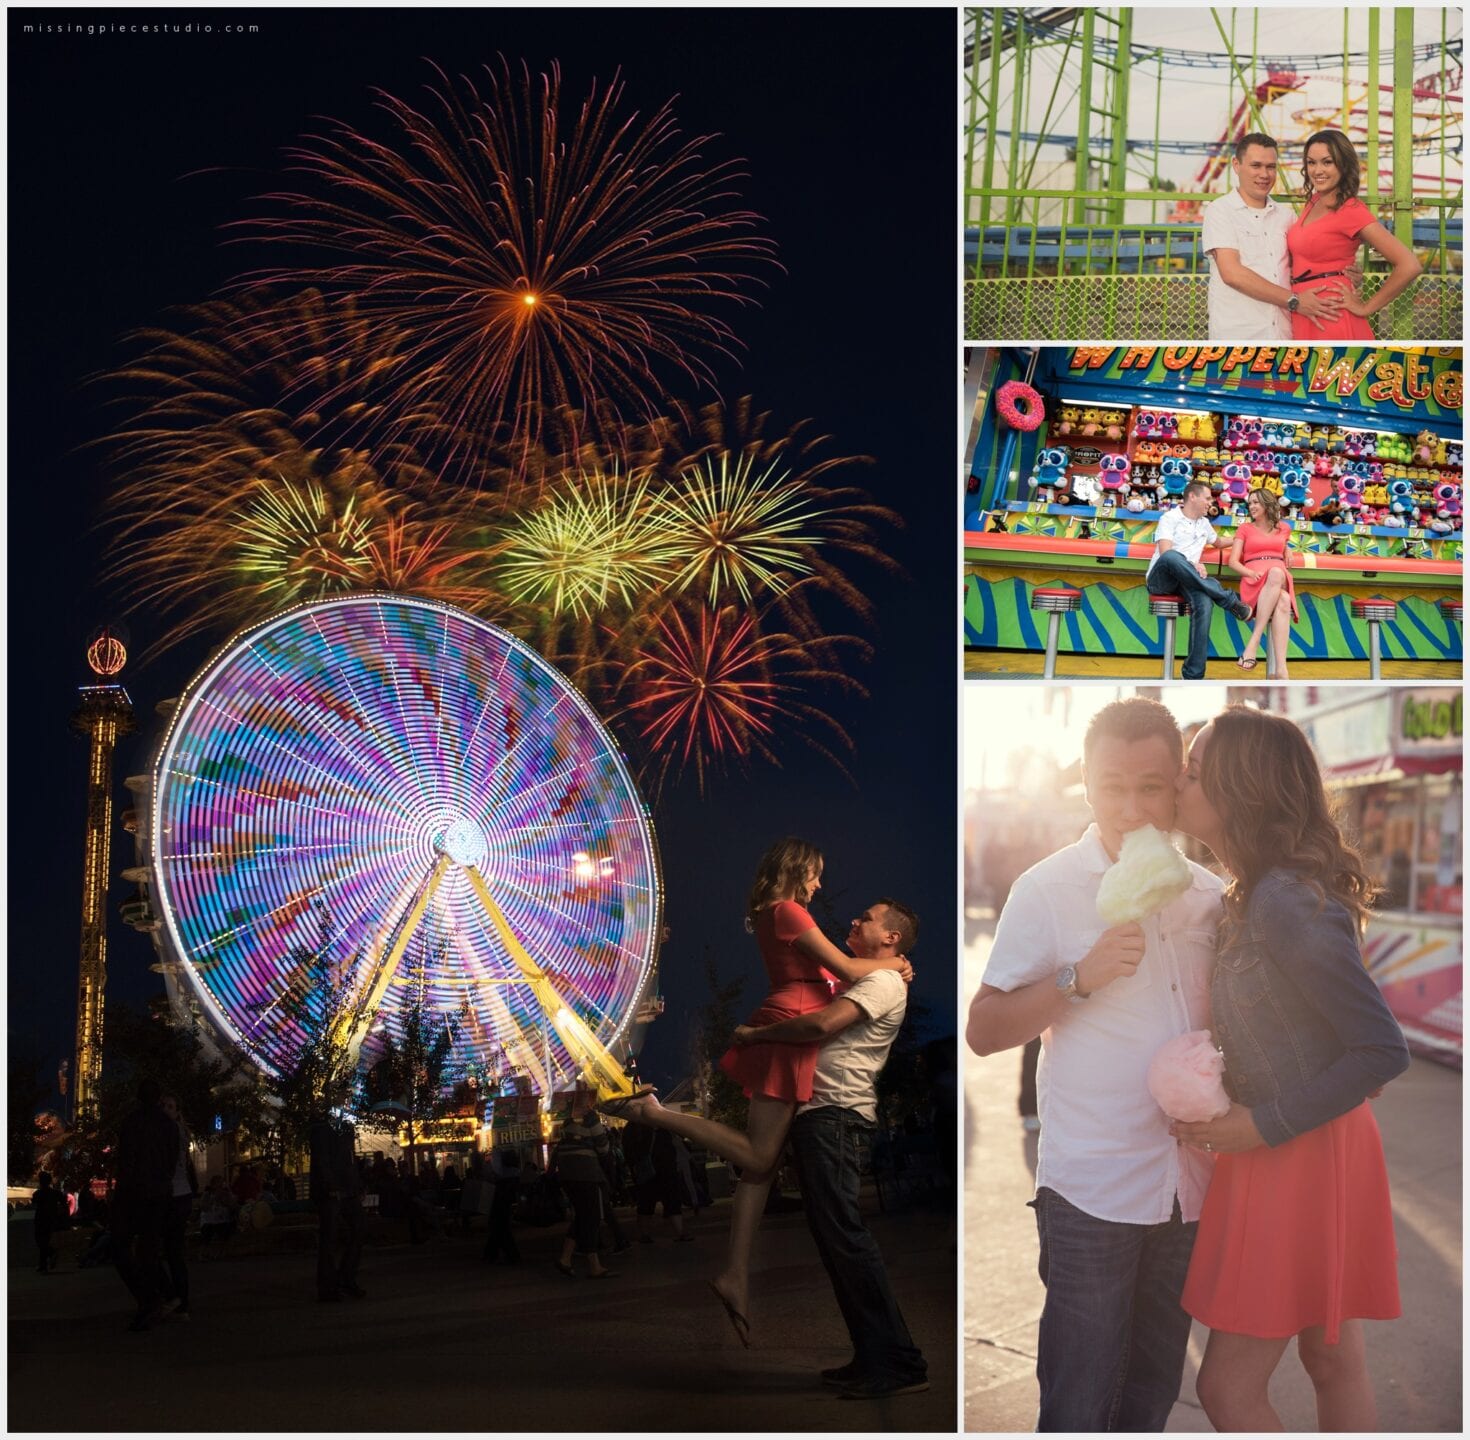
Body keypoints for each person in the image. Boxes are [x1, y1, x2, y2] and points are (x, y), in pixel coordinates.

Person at [967, 698, 1226, 1431]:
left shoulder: (1208, 897)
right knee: (1079, 1401)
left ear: (1179, 782)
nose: (1132, 807)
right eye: (1113, 786)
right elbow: (983, 1030)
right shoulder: (1047, 889)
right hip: (1091, 1188)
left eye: (1151, 786)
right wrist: (1076, 978)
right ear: (1086, 783)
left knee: (1149, 1394)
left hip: (1188, 1191)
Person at [1170, 706, 1410, 1432]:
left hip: (1295, 1146)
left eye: (1192, 770)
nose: (1177, 784)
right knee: (1333, 1362)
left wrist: (1261, 1124)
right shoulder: (1253, 892)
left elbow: (1380, 1048)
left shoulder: (1283, 900)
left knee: (1226, 1390)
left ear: (1240, 786)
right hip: (1294, 1140)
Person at [600, 838, 912, 1343]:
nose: (818, 885)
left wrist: (887, 967)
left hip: (792, 1023)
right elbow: (848, 971)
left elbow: (837, 978)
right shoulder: (787, 911)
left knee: (759, 1167)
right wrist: (895, 964)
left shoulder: (779, 912)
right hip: (790, 1027)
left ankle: (736, 1276)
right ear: (796, 868)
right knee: (759, 1153)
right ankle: (655, 1114)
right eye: (815, 874)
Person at [728, 897, 929, 1401]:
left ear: (891, 938)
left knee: (847, 1239)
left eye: (868, 918)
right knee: (839, 1243)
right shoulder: (877, 974)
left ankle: (899, 1363)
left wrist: (756, 1036)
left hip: (835, 1115)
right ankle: (874, 1355)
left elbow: (819, 1026)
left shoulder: (881, 983)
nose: (856, 920)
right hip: (823, 1116)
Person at [1203, 134, 1344, 340]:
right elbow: (1232, 273)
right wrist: (1294, 301)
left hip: (1283, 335)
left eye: (1270, 167)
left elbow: (1305, 264)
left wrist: (1343, 273)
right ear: (1236, 164)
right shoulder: (1220, 210)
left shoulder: (1286, 216)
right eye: (1256, 166)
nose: (1264, 174)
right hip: (1238, 336)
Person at [1286, 129, 1423, 340]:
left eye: (1327, 162)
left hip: (1331, 312)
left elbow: (1409, 264)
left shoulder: (1350, 210)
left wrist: (1366, 308)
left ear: (1343, 164)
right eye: (1311, 162)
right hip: (1304, 307)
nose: (1317, 170)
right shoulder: (1314, 201)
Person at [1145, 479, 1253, 679]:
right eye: (1207, 498)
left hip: (1189, 581)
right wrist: (1193, 564)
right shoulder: (1170, 517)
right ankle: (1229, 601)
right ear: (1192, 496)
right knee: (1172, 557)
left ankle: (1193, 675)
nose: (1210, 503)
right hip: (1162, 579)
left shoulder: (1204, 523)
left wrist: (1246, 538)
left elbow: (1219, 542)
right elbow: (1165, 552)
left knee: (1205, 603)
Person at [111, 1076, 181, 1331]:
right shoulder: (170, 1127)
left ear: (139, 1098)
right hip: (159, 1194)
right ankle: (158, 1299)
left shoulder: (132, 1123)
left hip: (133, 1194)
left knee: (120, 1248)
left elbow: (126, 1161)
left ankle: (148, 1300)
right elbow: (172, 1162)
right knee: (148, 1252)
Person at [1227, 487, 1298, 676]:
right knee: (1283, 600)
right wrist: (1249, 573)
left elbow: (1282, 543)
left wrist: (1287, 549)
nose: (1251, 506)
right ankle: (1282, 669)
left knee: (1275, 572)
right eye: (1250, 503)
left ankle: (1254, 641)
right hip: (1254, 580)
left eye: (1256, 502)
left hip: (1278, 575)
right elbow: (1232, 561)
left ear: (1267, 503)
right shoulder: (1245, 529)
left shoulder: (1284, 528)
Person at [309, 1107, 365, 1301]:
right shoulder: (322, 1128)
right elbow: (321, 1160)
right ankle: (329, 1286)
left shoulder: (345, 1129)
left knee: (357, 1231)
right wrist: (331, 1186)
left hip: (347, 1189)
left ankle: (345, 1278)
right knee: (330, 1238)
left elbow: (350, 1159)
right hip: (332, 1191)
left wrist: (357, 1185)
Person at [553, 1111, 616, 1279]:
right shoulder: (590, 1118)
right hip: (587, 1173)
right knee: (591, 1218)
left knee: (582, 1216)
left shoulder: (567, 1119)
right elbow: (603, 1148)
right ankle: (594, 1265)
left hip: (567, 1174)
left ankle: (565, 1259)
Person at [158, 1094, 199, 1319]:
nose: (166, 1109)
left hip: (174, 1196)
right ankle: (179, 1300)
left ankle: (177, 1299)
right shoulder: (178, 1131)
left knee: (168, 1251)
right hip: (179, 1195)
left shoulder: (172, 1131)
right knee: (172, 1251)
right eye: (163, 1105)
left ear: (177, 1112)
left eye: (170, 1106)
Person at [482, 1146, 521, 1264]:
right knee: (501, 1227)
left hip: (498, 1201)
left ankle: (495, 1254)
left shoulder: (501, 1173)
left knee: (498, 1227)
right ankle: (497, 1253)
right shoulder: (515, 1172)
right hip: (506, 1202)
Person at [31, 1172, 67, 1274]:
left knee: (40, 1241)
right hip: (51, 1220)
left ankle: (50, 1255)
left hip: (40, 1220)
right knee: (44, 1241)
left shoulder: (37, 1194)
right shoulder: (55, 1193)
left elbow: (34, 1204)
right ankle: (43, 1265)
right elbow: (64, 1204)